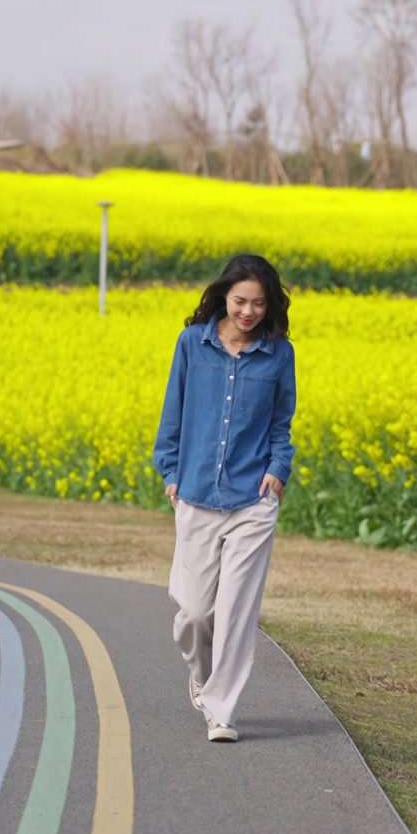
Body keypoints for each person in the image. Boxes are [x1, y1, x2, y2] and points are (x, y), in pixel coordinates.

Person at [153, 253, 296, 743]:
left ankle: (221, 710)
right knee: (194, 612)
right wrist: (169, 470)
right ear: (224, 297)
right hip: (194, 492)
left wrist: (279, 470)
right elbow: (173, 409)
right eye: (240, 301)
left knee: (235, 612)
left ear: (270, 304)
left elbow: (282, 422)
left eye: (258, 303)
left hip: (253, 500)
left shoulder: (280, 353)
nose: (248, 312)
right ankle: (202, 672)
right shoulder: (192, 343)